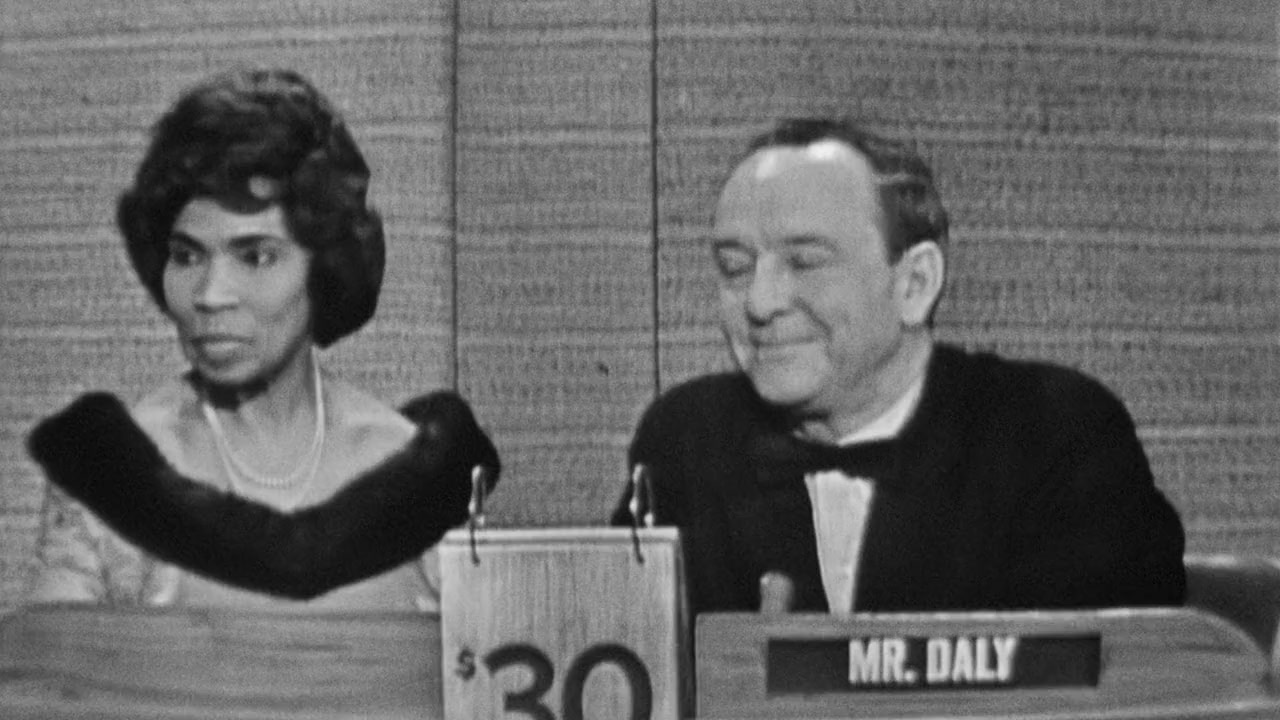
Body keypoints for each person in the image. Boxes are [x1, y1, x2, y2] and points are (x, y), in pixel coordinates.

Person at [612, 118, 1186, 615]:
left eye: (805, 262)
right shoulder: (684, 439)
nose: (760, 303)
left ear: (914, 284)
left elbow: (1119, 679)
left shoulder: (1054, 433)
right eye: (736, 268)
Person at [26, 68, 498, 611]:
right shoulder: (112, 479)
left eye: (255, 256)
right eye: (187, 255)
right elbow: (51, 660)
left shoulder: (408, 465)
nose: (210, 295)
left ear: (324, 268)